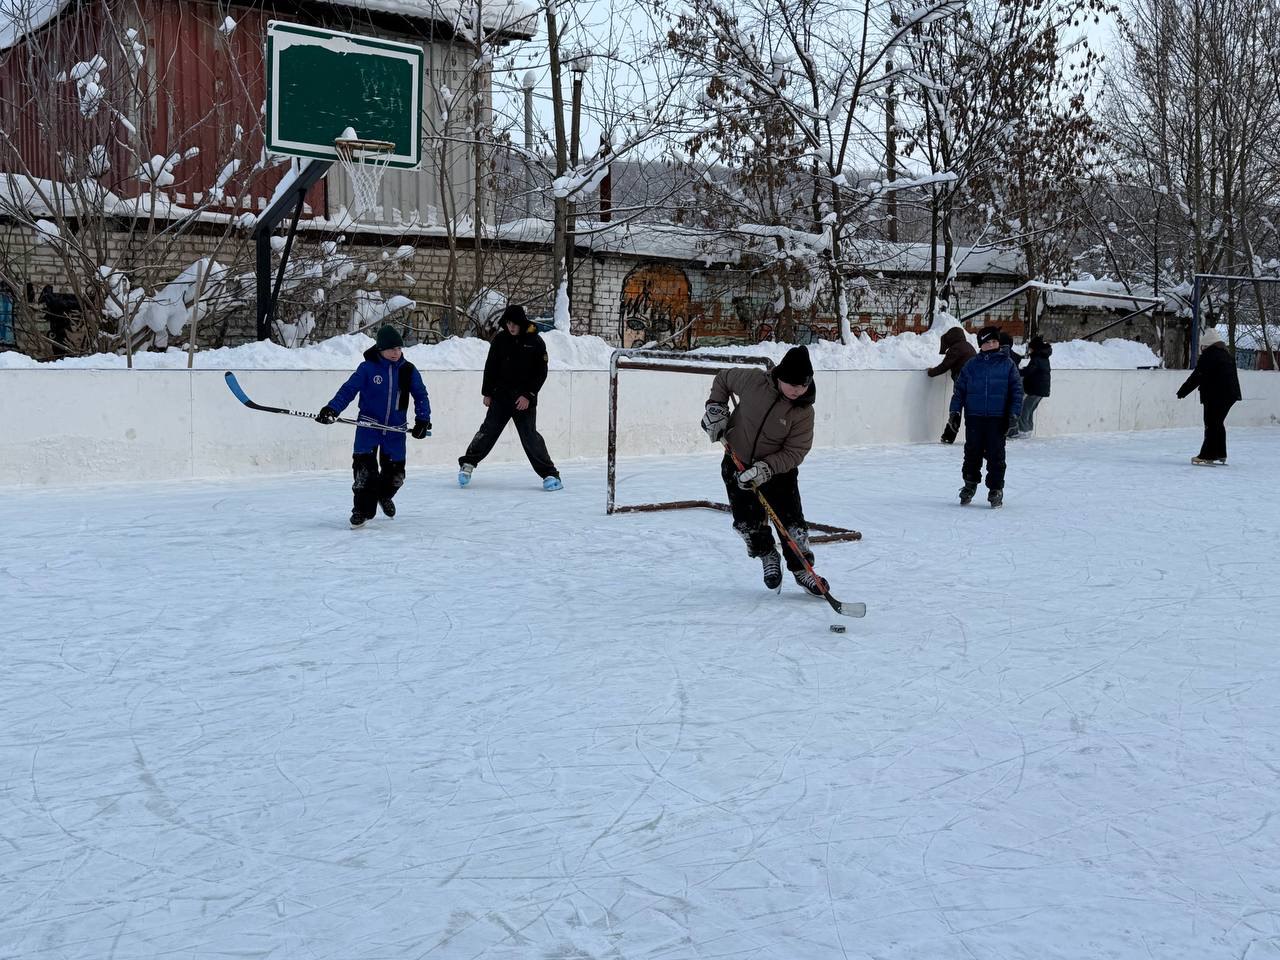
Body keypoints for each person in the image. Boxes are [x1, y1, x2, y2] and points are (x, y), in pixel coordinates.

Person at [701, 345, 826, 595]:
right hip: (736, 459)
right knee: (748, 520)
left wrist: (766, 469)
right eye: (792, 385)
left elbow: (796, 451)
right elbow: (723, 379)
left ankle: (802, 569)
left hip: (777, 471)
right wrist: (716, 409)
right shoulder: (754, 381)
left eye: (803, 386)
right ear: (780, 376)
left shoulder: (803, 412)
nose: (797, 391)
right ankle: (767, 554)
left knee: (791, 523)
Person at [317, 325, 432, 526]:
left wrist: (423, 420)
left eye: (399, 349)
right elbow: (348, 390)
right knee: (364, 474)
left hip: (395, 430)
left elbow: (421, 396)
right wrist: (332, 409)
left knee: (396, 476)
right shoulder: (367, 368)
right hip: (368, 427)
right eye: (391, 349)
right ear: (380, 349)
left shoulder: (408, 370)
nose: (396, 353)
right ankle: (361, 510)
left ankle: (384, 495)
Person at [458, 304, 563, 490]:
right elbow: (491, 367)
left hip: (523, 401)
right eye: (508, 323)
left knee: (530, 437)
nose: (511, 327)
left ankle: (550, 474)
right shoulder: (500, 340)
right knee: (487, 431)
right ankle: (468, 464)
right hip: (501, 397)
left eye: (514, 323)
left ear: (522, 323)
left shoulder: (535, 342)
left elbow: (540, 373)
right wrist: (487, 393)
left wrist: (528, 396)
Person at [950, 326, 1023, 507]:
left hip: (998, 418)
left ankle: (995, 489)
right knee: (971, 453)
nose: (991, 345)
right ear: (980, 345)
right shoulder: (971, 365)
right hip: (974, 417)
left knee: (996, 455)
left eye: (994, 341)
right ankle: (969, 484)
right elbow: (959, 391)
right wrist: (955, 411)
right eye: (987, 342)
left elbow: (1016, 391)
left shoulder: (1008, 365)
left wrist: (1014, 413)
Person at [1177, 327, 1242, 465]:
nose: (1201, 349)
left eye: (1202, 346)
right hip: (1230, 394)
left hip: (1216, 395)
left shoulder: (1209, 355)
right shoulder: (1226, 354)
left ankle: (1208, 455)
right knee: (1217, 423)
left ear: (1206, 345)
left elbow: (1198, 375)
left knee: (1212, 424)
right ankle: (1220, 453)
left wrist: (1183, 391)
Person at [927, 326, 977, 443]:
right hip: (975, 380)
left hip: (961, 378)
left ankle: (949, 435)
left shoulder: (955, 348)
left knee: (956, 407)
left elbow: (945, 366)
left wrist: (931, 372)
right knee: (971, 409)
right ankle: (974, 436)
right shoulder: (969, 346)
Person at [1015, 335, 1052, 436]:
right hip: (1041, 390)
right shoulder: (1043, 357)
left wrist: (1017, 371)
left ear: (1035, 348)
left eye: (1030, 348)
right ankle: (1029, 430)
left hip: (1036, 389)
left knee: (1024, 410)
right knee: (1030, 410)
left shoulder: (1037, 358)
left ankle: (1023, 432)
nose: (1029, 350)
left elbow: (1029, 371)